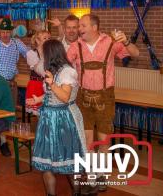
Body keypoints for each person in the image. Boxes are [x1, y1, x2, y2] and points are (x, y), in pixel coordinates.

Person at [66, 14, 139, 193]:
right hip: (83, 97)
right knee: (88, 140)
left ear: (94, 27)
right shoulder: (76, 46)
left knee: (104, 140)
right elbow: (63, 66)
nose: (78, 28)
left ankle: (100, 175)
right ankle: (92, 177)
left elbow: (135, 54)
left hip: (105, 97)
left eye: (82, 25)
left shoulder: (110, 42)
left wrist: (127, 41)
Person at [28, 39, 86, 196]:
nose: (43, 58)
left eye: (44, 54)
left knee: (69, 159)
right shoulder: (52, 69)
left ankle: (77, 192)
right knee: (46, 161)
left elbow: (65, 97)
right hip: (48, 117)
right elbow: (50, 94)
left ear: (51, 54)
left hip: (64, 118)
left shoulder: (68, 71)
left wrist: (52, 84)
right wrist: (38, 99)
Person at [0, 17, 28, 156]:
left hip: (11, 83)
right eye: (2, 32)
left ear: (11, 31)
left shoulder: (17, 43)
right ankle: (2, 142)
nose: (5, 35)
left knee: (9, 113)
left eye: (7, 32)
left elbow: (29, 55)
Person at [25, 30, 50, 115]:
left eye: (49, 38)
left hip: (47, 84)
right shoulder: (31, 53)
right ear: (37, 40)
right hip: (36, 84)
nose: (47, 40)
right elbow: (39, 70)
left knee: (47, 112)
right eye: (45, 38)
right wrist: (41, 51)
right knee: (37, 113)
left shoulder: (49, 53)